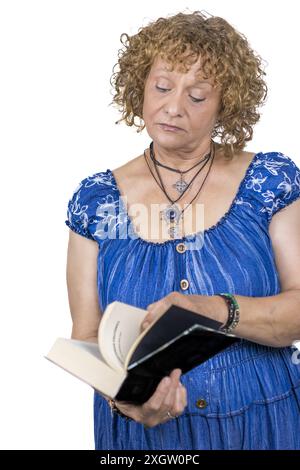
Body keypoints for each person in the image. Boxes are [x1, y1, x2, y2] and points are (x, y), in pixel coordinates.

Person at [65, 10, 300, 450]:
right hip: (143, 441)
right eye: (162, 87)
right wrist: (124, 403)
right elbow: (85, 338)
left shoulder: (271, 181)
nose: (173, 107)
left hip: (263, 421)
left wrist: (216, 309)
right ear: (140, 88)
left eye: (197, 95)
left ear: (225, 104)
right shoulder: (96, 202)